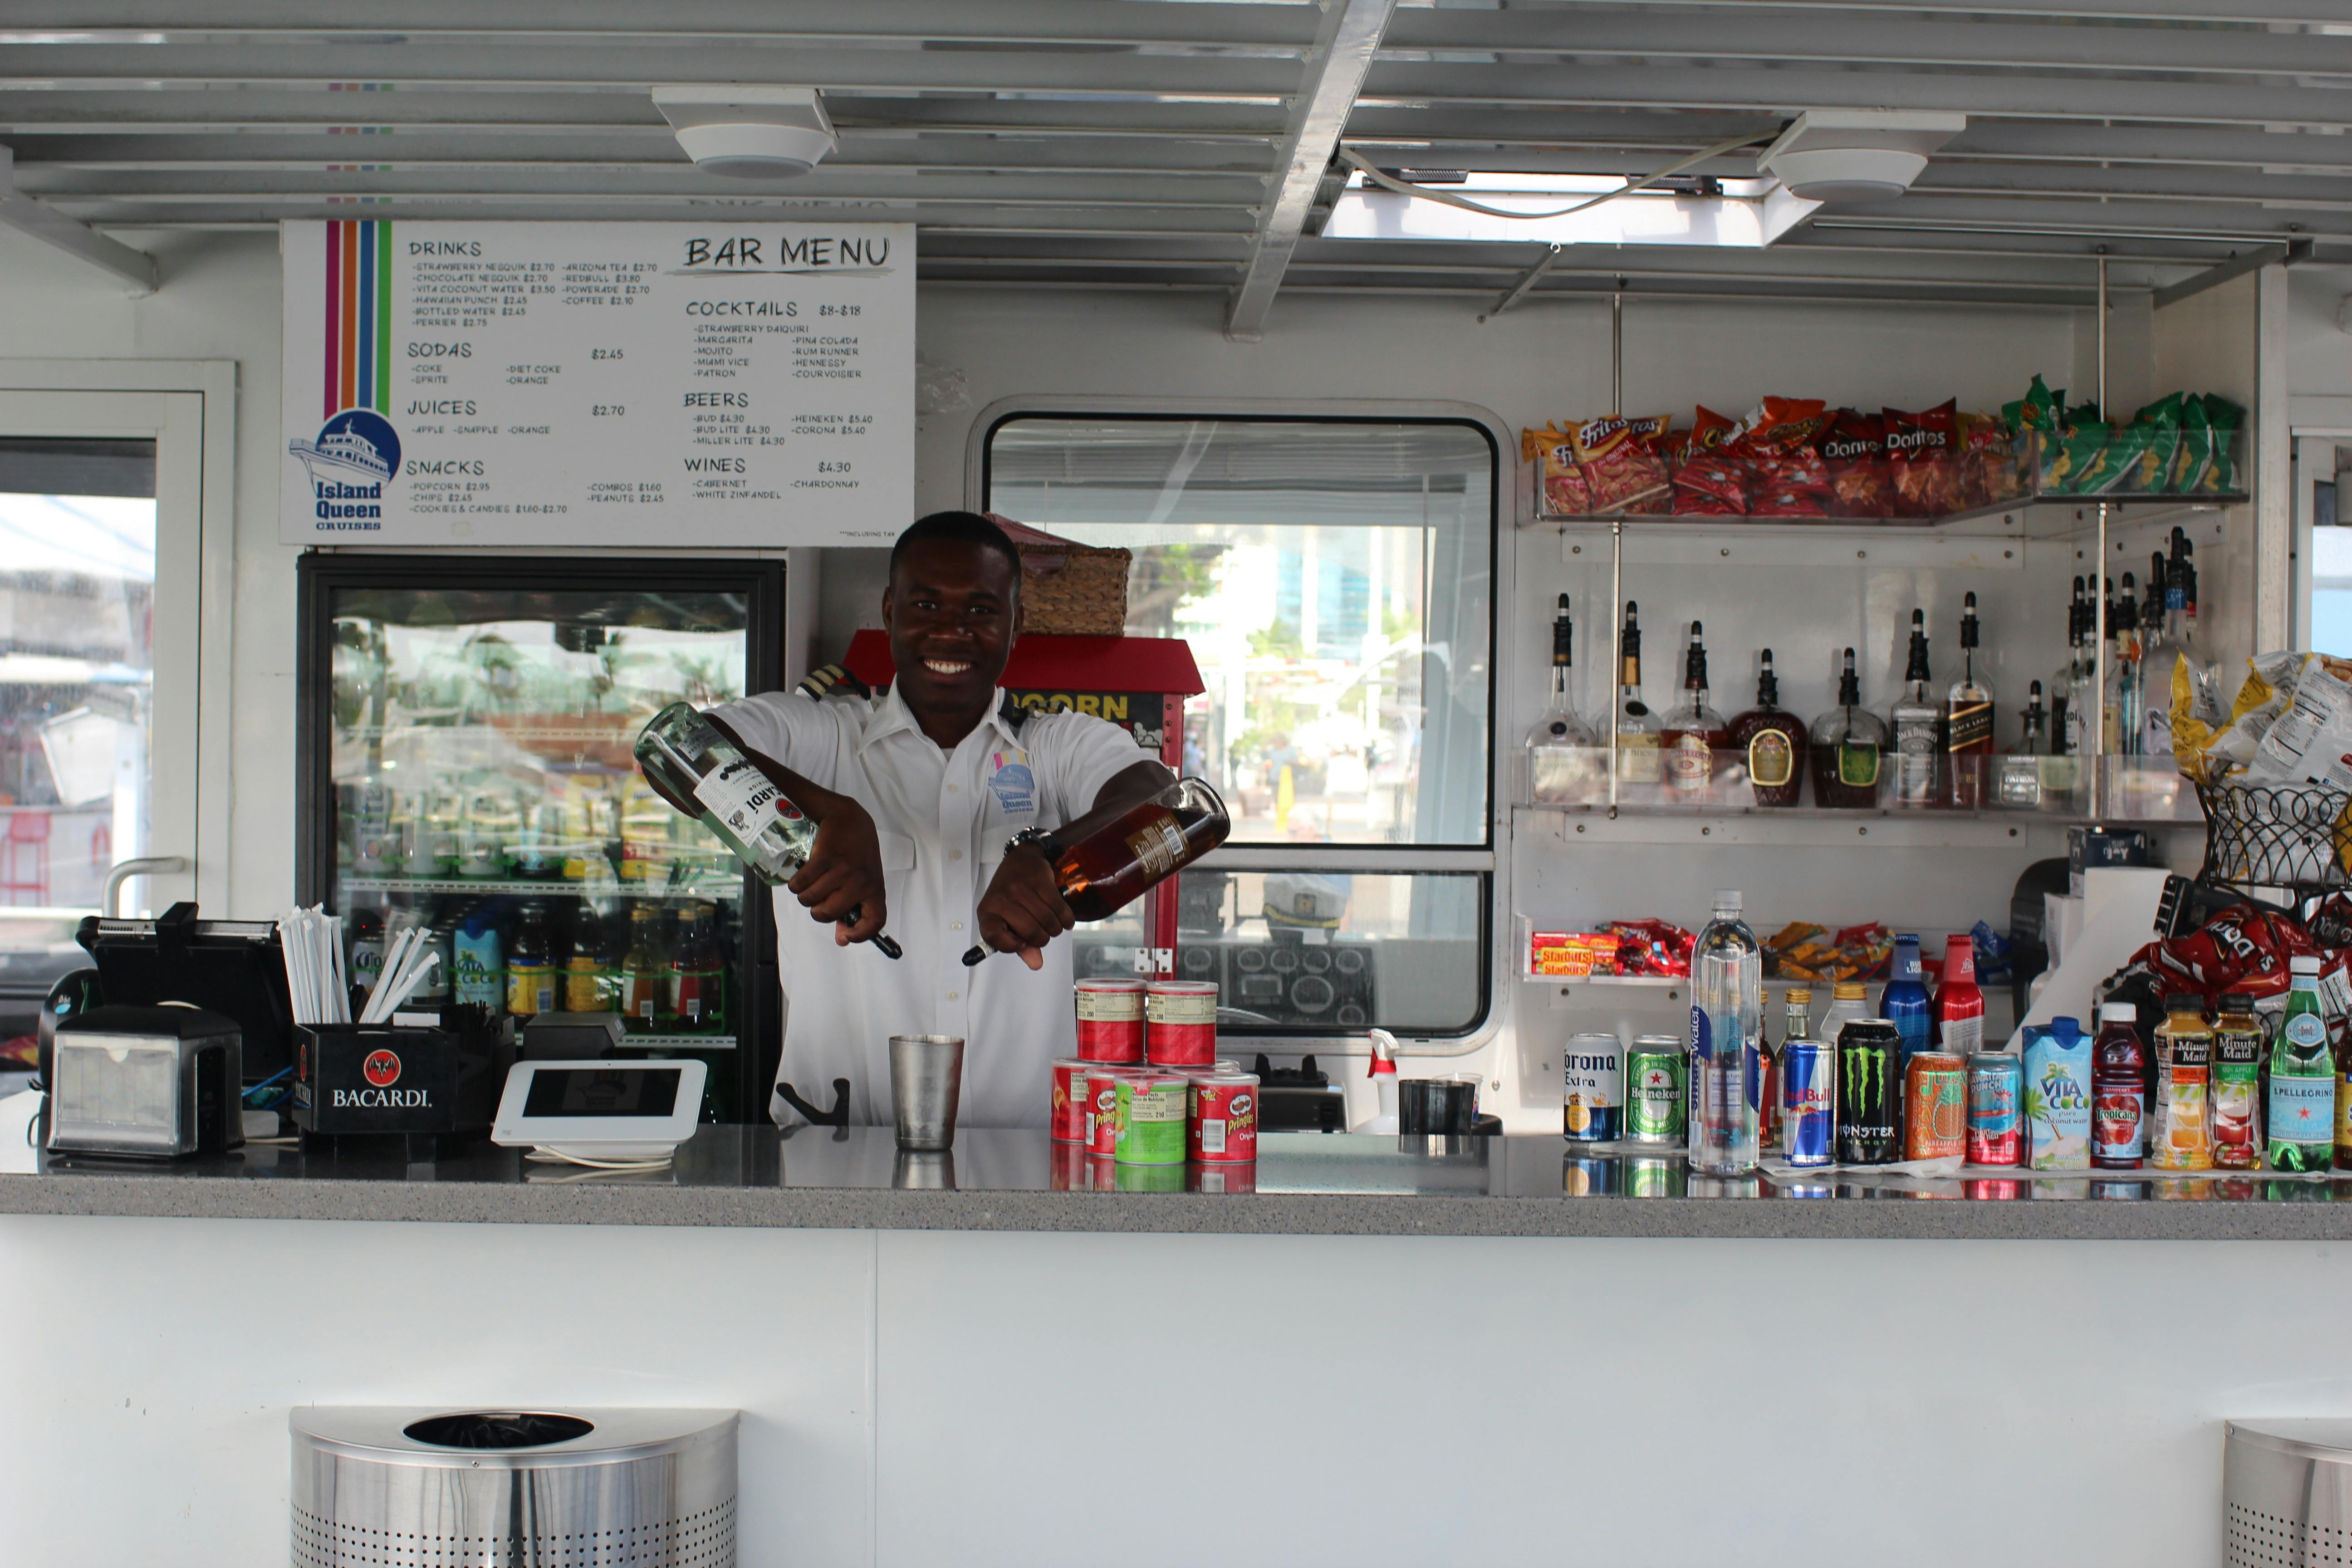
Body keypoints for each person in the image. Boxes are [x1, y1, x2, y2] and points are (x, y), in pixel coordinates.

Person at [682, 511, 1171, 1129]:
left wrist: (1050, 857)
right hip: (833, 1145)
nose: (952, 632)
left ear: (1016, 625)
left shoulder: (1056, 746)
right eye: (927, 605)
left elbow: (1163, 803)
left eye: (981, 611)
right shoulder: (821, 737)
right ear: (889, 611)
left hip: (1022, 1149)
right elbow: (679, 747)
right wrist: (829, 813)